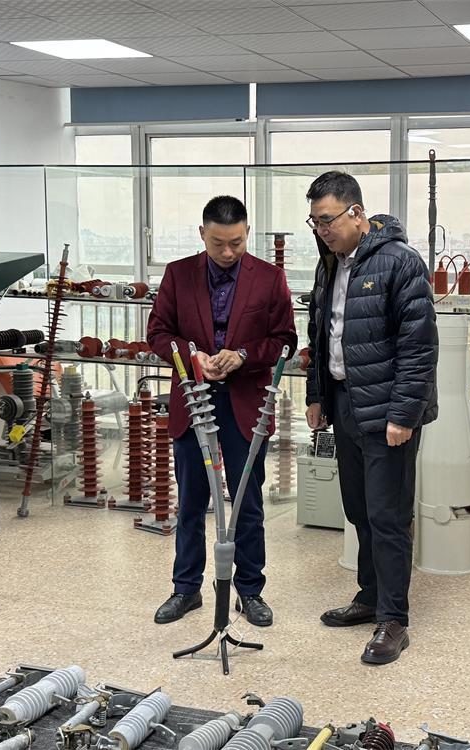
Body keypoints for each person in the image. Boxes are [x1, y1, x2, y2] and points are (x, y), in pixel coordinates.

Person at [304, 171, 438, 666]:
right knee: (359, 509)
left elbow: (419, 348)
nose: (322, 230)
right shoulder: (329, 263)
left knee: (388, 514)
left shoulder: (400, 262)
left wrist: (403, 414)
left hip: (387, 410)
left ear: (357, 212)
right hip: (344, 402)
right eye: (315, 222)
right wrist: (317, 395)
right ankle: (369, 596)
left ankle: (394, 619)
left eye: (327, 220)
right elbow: (321, 335)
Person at [147, 195, 297, 628]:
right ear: (202, 234)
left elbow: (285, 341)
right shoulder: (178, 275)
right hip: (193, 400)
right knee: (191, 502)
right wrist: (193, 357)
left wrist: (243, 355)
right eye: (218, 244)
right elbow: (158, 332)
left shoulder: (269, 278)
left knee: (247, 503)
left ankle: (250, 592)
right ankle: (186, 589)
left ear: (247, 233)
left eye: (236, 242)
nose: (228, 252)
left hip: (245, 405)